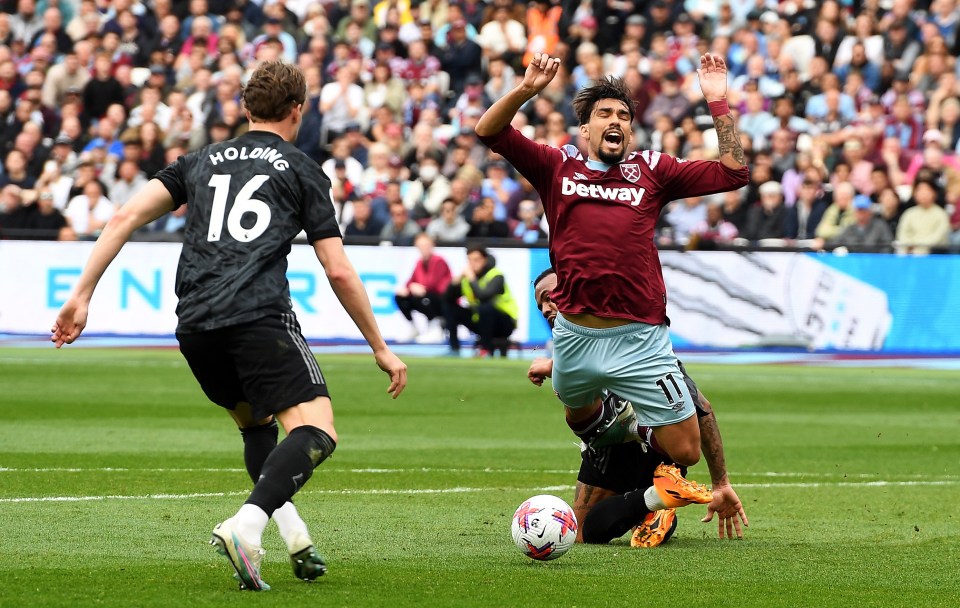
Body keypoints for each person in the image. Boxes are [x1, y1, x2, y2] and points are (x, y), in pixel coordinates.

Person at [50, 61, 408, 592]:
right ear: (298, 110)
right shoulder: (303, 168)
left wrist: (80, 295)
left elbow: (123, 216)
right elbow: (336, 268)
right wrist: (380, 346)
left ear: (245, 108)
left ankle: (295, 538)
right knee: (317, 430)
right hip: (258, 317)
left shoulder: (198, 161)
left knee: (256, 425)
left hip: (195, 326)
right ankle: (247, 524)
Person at [475, 53, 749, 477]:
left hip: (640, 337)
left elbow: (734, 173)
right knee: (577, 416)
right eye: (604, 113)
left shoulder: (653, 170)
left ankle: (640, 430)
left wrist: (717, 102)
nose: (615, 120)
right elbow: (488, 130)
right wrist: (527, 90)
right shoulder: (556, 166)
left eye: (623, 114)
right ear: (586, 129)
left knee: (687, 451)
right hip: (575, 336)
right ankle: (617, 434)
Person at [528, 268, 748, 546]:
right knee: (582, 533)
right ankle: (657, 499)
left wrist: (721, 484)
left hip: (658, 444)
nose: (547, 308)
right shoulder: (568, 348)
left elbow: (701, 407)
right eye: (541, 305)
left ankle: (650, 471)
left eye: (550, 297)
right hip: (611, 446)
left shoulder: (637, 341)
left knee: (587, 414)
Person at [443, 244, 518, 356]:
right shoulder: (467, 279)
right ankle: (454, 349)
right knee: (450, 309)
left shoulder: (496, 276)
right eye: (470, 260)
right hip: (481, 322)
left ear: (485, 260)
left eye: (476, 260)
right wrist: (455, 282)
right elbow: (447, 299)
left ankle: (485, 349)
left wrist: (472, 279)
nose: (473, 263)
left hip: (504, 324)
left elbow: (483, 296)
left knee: (485, 307)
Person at [394, 232, 452, 342]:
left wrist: (418, 287)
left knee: (423, 297)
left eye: (426, 245)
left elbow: (434, 284)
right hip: (425, 295)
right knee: (400, 297)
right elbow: (411, 281)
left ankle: (436, 327)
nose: (423, 249)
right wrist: (408, 288)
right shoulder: (419, 263)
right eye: (420, 246)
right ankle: (413, 327)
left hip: (441, 299)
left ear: (432, 246)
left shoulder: (439, 261)